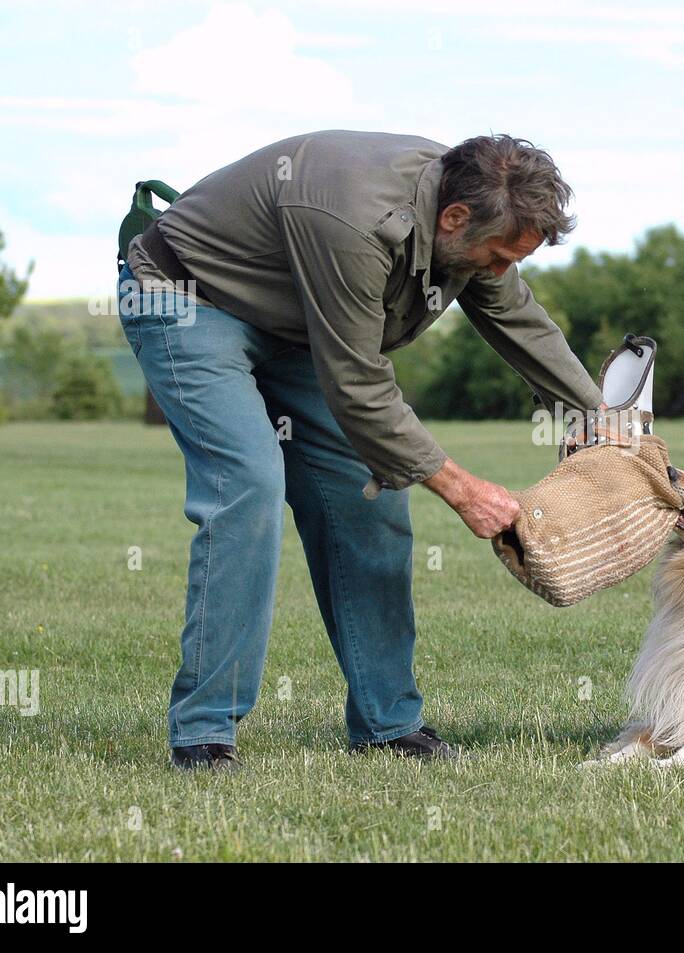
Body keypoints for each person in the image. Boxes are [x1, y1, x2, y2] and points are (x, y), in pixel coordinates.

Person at [117, 132, 604, 768]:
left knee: (370, 502)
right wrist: (462, 488)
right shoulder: (352, 218)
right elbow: (357, 385)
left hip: (293, 326)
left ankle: (388, 725)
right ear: (454, 218)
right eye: (497, 256)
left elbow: (518, 321)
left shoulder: (472, 220)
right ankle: (205, 732)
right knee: (248, 486)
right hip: (186, 297)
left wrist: (601, 421)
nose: (499, 271)